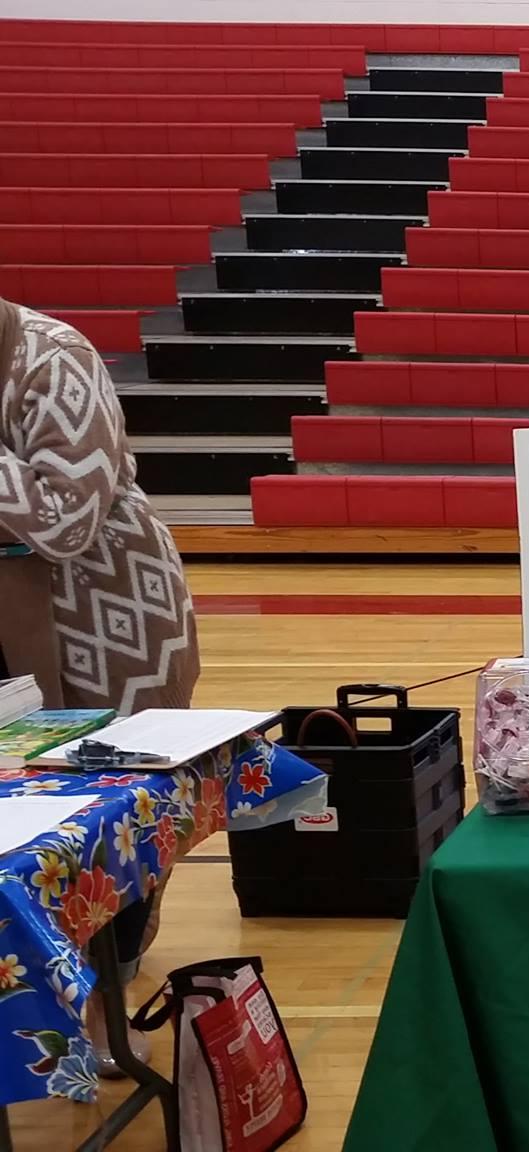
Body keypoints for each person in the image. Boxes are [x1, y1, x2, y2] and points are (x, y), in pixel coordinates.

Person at [0, 297, 200, 1076]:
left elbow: (66, 521)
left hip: (108, 621)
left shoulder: (53, 359)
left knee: (115, 807)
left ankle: (102, 996)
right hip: (13, 619)